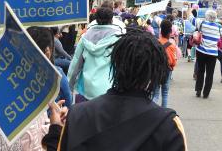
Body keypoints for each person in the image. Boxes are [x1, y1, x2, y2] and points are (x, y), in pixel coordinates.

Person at [42, 27, 187, 150]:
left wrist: (56, 130)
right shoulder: (169, 126)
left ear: (115, 64)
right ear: (153, 74)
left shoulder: (77, 116)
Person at [0, 26, 73, 150]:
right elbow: (35, 141)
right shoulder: (49, 82)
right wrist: (55, 126)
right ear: (47, 52)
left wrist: (52, 122)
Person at [68, 7, 124, 101]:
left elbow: (76, 64)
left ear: (96, 19)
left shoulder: (85, 38)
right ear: (111, 19)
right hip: (109, 89)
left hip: (87, 89)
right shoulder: (118, 38)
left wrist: (69, 85)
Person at [189, 9, 222, 98]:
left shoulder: (202, 23)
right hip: (213, 53)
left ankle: (198, 90)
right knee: (210, 73)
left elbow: (191, 18)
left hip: (201, 51)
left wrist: (189, 8)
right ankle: (206, 93)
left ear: (207, 16)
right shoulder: (219, 27)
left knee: (200, 71)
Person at [153, 20, 177, 108]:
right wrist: (172, 67)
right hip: (167, 70)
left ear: (160, 31)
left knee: (155, 93)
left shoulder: (155, 43)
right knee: (165, 93)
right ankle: (163, 113)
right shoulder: (171, 45)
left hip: (156, 70)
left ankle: (152, 112)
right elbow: (173, 61)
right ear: (170, 32)